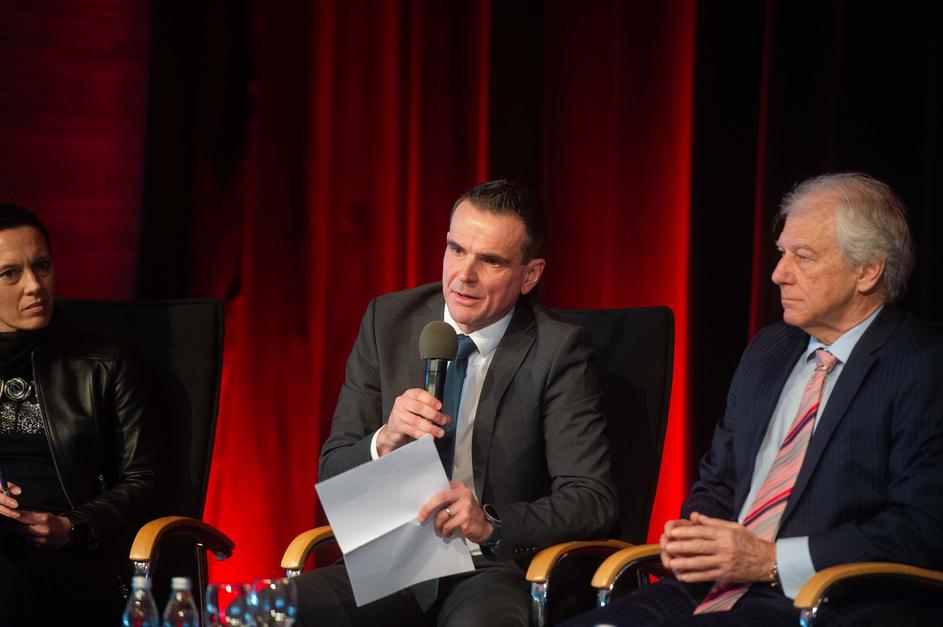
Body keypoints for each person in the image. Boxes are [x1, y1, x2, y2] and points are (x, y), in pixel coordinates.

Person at [562, 172, 943, 627]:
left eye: (803, 256)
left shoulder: (923, 365)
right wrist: (699, 538)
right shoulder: (769, 349)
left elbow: (921, 528)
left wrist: (769, 560)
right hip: (711, 590)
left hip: (825, 601)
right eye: (782, 253)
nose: (779, 274)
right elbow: (717, 483)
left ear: (867, 271)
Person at [293, 180, 617, 626]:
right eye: (457, 249)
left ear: (530, 275)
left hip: (493, 568)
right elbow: (332, 470)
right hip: (391, 562)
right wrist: (383, 441)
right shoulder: (388, 323)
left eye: (491, 260)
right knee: (270, 611)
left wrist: (491, 524)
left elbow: (591, 499)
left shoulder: (557, 351)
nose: (465, 274)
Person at [0, 203, 163, 625]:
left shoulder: (105, 361)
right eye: (10, 273)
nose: (35, 286)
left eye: (42, 266)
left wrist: (72, 527)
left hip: (71, 553)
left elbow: (146, 479)